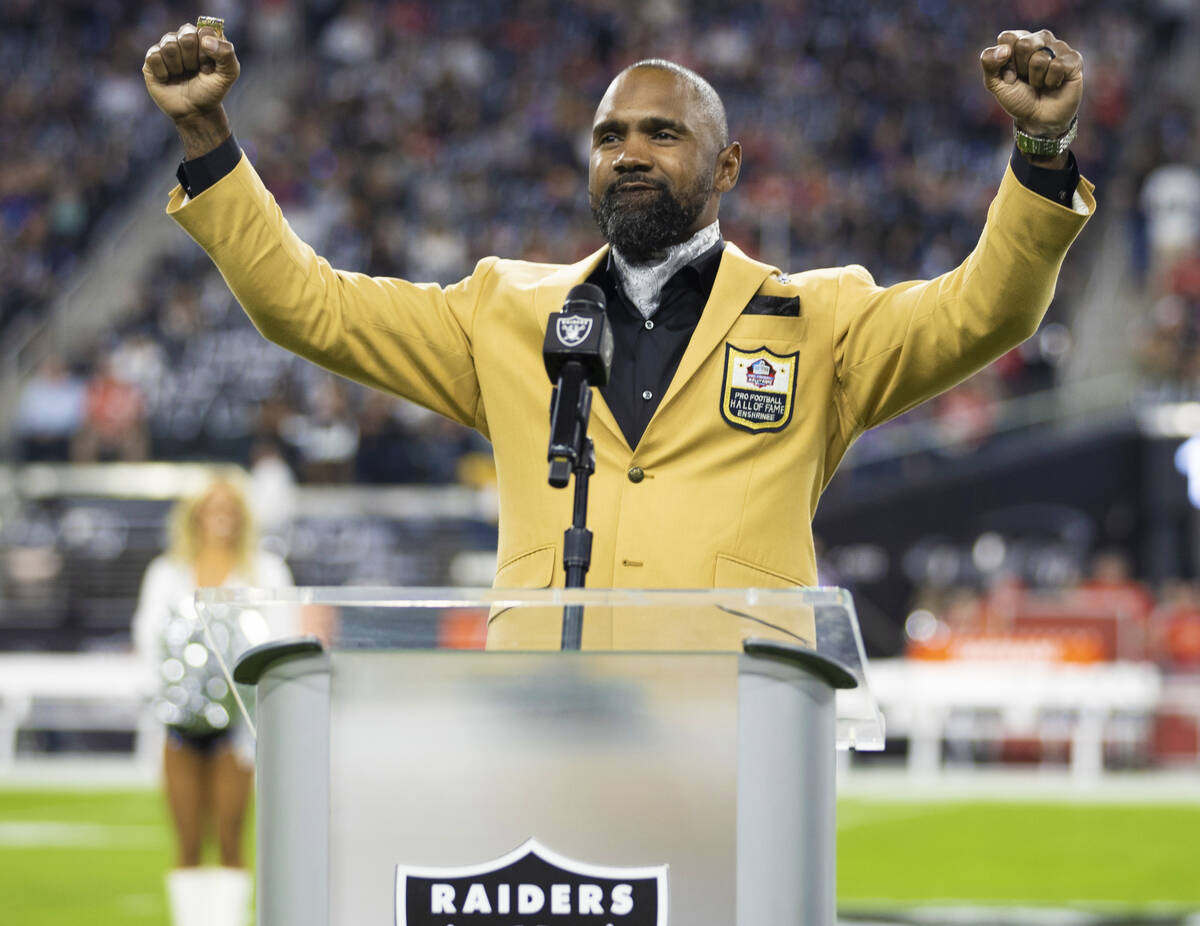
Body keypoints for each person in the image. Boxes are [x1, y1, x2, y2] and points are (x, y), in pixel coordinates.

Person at [142, 21, 1094, 649]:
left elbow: (989, 309)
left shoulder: (825, 322)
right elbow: (309, 306)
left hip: (741, 724)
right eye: (608, 137)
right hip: (546, 720)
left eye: (660, 134)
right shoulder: (502, 312)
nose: (629, 153)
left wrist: (1042, 154)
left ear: (726, 168)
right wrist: (209, 145)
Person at [132, 477, 296, 926]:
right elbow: (148, 638)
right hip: (178, 725)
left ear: (243, 514)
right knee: (186, 841)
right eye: (211, 505)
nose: (221, 513)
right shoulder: (166, 571)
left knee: (229, 837)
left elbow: (284, 637)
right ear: (195, 514)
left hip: (238, 726)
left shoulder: (266, 571)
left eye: (230, 505)